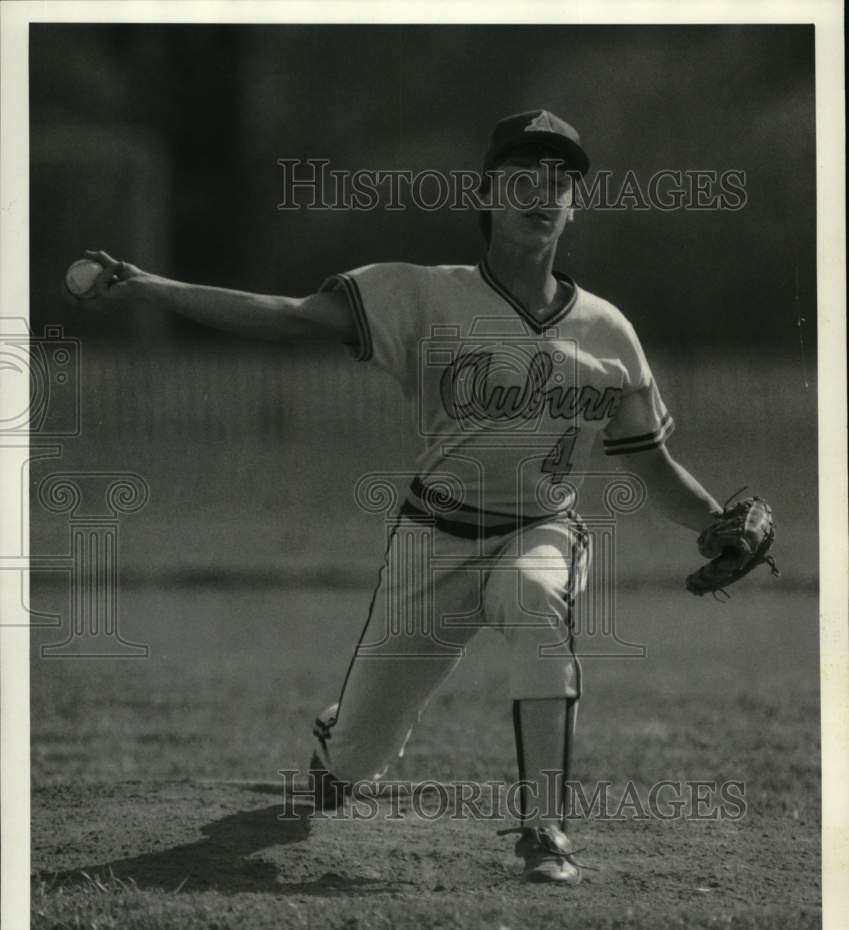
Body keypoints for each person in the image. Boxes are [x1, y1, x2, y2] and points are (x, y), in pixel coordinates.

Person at [83, 109, 723, 885]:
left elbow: (651, 466)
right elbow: (286, 317)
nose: (542, 193)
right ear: (485, 193)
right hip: (433, 542)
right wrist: (152, 286)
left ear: (574, 205)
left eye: (560, 182)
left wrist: (717, 525)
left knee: (532, 600)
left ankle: (544, 830)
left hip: (541, 528)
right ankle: (340, 739)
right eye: (522, 178)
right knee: (359, 757)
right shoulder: (422, 297)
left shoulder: (607, 331)